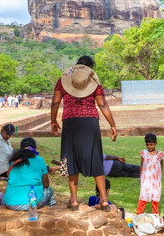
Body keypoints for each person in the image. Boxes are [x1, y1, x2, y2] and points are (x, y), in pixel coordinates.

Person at [50, 55, 118, 212]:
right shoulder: (94, 81)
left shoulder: (63, 80)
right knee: (95, 158)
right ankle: (104, 200)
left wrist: (53, 121)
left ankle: (73, 200)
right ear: (91, 68)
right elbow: (102, 104)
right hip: (90, 123)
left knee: (70, 158)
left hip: (70, 122)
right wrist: (112, 125)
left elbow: (55, 102)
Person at [3, 137, 56, 210]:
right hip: (32, 204)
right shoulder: (40, 160)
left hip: (10, 203)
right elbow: (46, 184)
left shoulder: (13, 161)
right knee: (49, 190)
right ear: (35, 149)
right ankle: (51, 204)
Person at [137, 133, 164, 215]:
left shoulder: (159, 155)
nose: (149, 146)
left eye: (151, 145)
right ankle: (139, 213)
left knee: (155, 196)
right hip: (146, 179)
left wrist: (157, 175)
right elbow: (142, 165)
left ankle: (155, 214)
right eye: (147, 145)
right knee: (143, 195)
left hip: (155, 180)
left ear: (156, 143)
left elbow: (161, 165)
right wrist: (141, 177)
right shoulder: (144, 153)